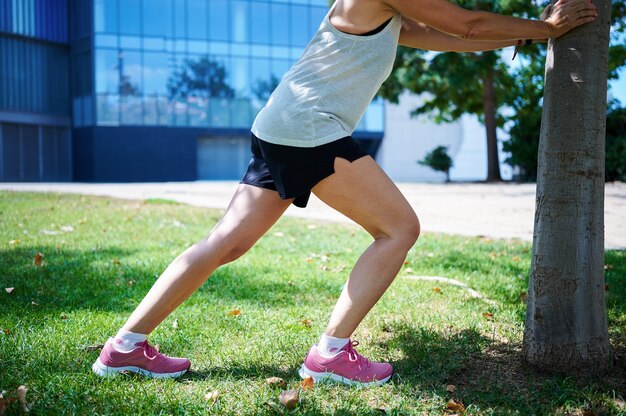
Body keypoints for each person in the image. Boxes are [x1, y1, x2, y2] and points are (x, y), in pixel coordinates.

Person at [92, 0, 597, 386]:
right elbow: (463, 23)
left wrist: (525, 35)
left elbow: (448, 37)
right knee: (399, 229)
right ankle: (331, 354)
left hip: (283, 122)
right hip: (311, 126)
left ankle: (124, 347)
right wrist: (546, 28)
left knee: (226, 242)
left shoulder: (391, 11)